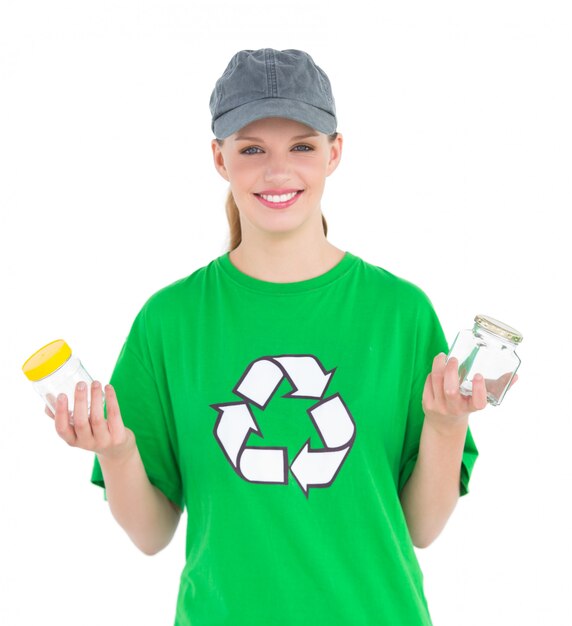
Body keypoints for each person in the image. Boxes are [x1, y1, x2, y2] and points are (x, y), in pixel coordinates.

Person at [48, 48, 491, 625]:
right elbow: (152, 536)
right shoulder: (171, 321)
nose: (277, 171)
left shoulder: (401, 313)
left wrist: (447, 424)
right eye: (252, 148)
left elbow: (421, 529)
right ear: (218, 157)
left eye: (301, 146)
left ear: (334, 153)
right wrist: (118, 451)